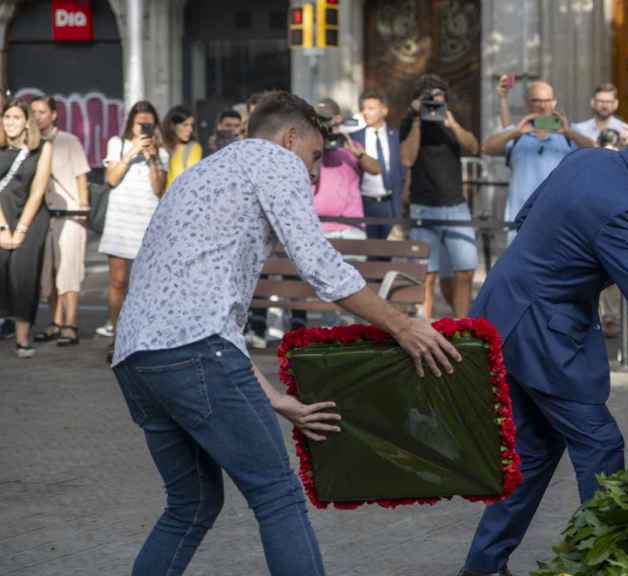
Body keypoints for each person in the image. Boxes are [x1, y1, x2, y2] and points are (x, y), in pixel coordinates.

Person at [111, 91, 461, 576]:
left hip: (135, 359)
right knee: (278, 495)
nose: (315, 173)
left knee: (189, 505)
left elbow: (202, 308)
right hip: (195, 354)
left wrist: (273, 396)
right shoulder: (275, 160)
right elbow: (320, 265)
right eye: (316, 157)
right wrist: (404, 326)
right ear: (291, 136)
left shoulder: (203, 172)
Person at [458, 113, 628, 576]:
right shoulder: (621, 209)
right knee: (599, 445)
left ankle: (482, 567)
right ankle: (609, 565)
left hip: (506, 313)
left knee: (534, 452)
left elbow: (528, 216)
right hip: (542, 333)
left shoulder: (589, 159)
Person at [399, 73, 480, 319]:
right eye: (429, 98)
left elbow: (473, 147)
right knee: (427, 273)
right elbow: (407, 159)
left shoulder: (452, 118)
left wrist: (453, 124)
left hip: (455, 205)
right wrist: (415, 120)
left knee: (465, 269)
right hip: (424, 206)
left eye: (439, 97)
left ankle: (463, 327)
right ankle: (425, 327)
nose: (435, 103)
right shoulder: (410, 121)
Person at [481, 80, 592, 246]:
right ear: (527, 103)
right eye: (536, 101)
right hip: (520, 218)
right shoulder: (517, 133)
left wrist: (568, 132)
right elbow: (487, 147)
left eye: (547, 101)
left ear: (554, 102)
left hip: (558, 218)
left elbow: (595, 149)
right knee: (518, 270)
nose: (542, 106)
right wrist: (516, 132)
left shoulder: (569, 133)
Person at [99, 101, 168, 362]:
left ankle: (140, 338)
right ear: (131, 123)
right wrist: (131, 153)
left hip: (146, 223)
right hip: (120, 221)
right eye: (140, 123)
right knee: (118, 281)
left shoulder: (160, 151)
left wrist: (151, 158)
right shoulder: (117, 144)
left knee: (145, 285)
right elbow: (111, 179)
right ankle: (117, 336)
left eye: (149, 123)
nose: (144, 127)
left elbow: (159, 188)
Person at [31, 95, 90, 347]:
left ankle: (71, 325)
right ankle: (55, 323)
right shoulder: (31, 144)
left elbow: (81, 178)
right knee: (49, 275)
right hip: (45, 217)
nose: (37, 116)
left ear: (54, 114)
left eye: (42, 111)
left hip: (71, 216)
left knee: (69, 272)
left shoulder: (68, 141)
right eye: (33, 111)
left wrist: (84, 211)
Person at [0, 100, 54, 358]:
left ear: (27, 122)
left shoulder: (43, 148)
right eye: (6, 116)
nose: (10, 122)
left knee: (23, 276)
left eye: (16, 117)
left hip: (31, 220)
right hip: (1, 215)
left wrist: (20, 229)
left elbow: (38, 190)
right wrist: (2, 227)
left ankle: (22, 339)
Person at [314, 97, 380, 241]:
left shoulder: (352, 145)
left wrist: (358, 153)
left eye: (326, 119)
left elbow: (376, 169)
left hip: (351, 227)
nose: (323, 124)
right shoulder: (312, 149)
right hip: (318, 227)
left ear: (338, 119)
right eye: (320, 120)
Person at [351, 91, 405, 240]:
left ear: (384, 110)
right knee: (368, 252)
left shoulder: (396, 137)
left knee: (388, 253)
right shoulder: (355, 137)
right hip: (364, 203)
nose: (365, 112)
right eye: (364, 108)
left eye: (371, 108)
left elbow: (402, 170)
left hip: (390, 203)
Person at [162, 105, 202, 189]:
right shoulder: (161, 147)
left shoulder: (193, 148)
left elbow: (191, 180)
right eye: (185, 125)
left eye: (191, 125)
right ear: (172, 126)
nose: (190, 129)